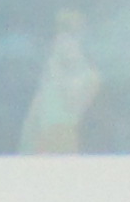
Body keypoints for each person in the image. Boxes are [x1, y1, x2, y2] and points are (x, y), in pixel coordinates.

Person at [19, 11, 100, 155]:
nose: (64, 42)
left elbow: (73, 106)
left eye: (72, 36)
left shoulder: (91, 76)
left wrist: (57, 73)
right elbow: (33, 120)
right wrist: (24, 153)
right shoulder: (50, 77)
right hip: (41, 152)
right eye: (60, 36)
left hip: (69, 150)